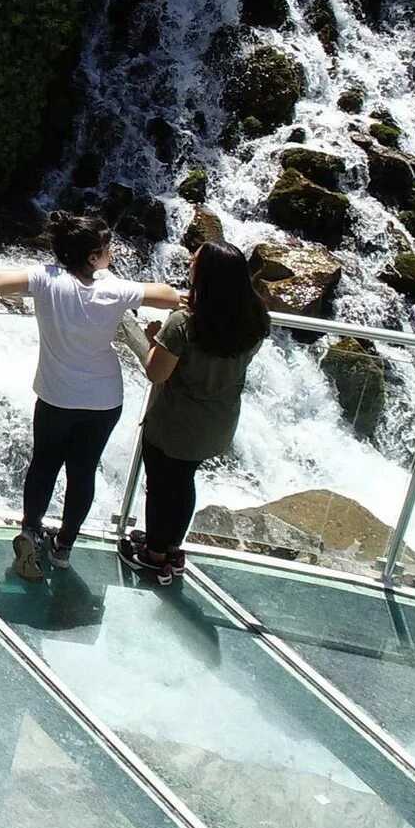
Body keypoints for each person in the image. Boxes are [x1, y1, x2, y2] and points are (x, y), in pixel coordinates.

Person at [0, 212, 185, 582]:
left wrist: (41, 271)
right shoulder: (115, 289)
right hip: (104, 400)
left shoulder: (46, 279)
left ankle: (30, 531)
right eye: (107, 249)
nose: (112, 253)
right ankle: (64, 548)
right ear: (93, 257)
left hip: (56, 396)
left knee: (44, 464)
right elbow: (169, 296)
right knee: (83, 471)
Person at [121, 240, 268, 585]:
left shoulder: (182, 324)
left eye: (195, 261)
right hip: (217, 424)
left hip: (175, 424)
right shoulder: (254, 319)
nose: (189, 262)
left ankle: (153, 556)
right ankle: (172, 547)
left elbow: (156, 372)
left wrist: (146, 339)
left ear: (206, 275)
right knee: (184, 481)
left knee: (161, 486)